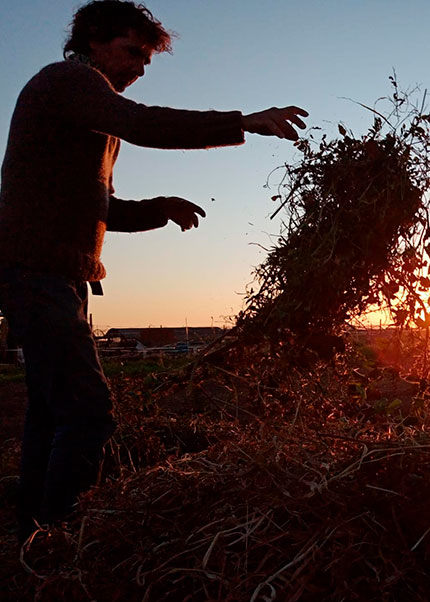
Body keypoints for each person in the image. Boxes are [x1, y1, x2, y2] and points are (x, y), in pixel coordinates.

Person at [0, 0, 308, 544]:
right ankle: (67, 541)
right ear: (93, 39)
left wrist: (156, 208)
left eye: (146, 60)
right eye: (132, 52)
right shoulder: (69, 80)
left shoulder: (87, 111)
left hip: (58, 275)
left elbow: (96, 208)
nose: (139, 68)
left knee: (51, 414)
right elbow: (141, 121)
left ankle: (35, 536)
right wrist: (242, 122)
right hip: (35, 273)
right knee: (89, 412)